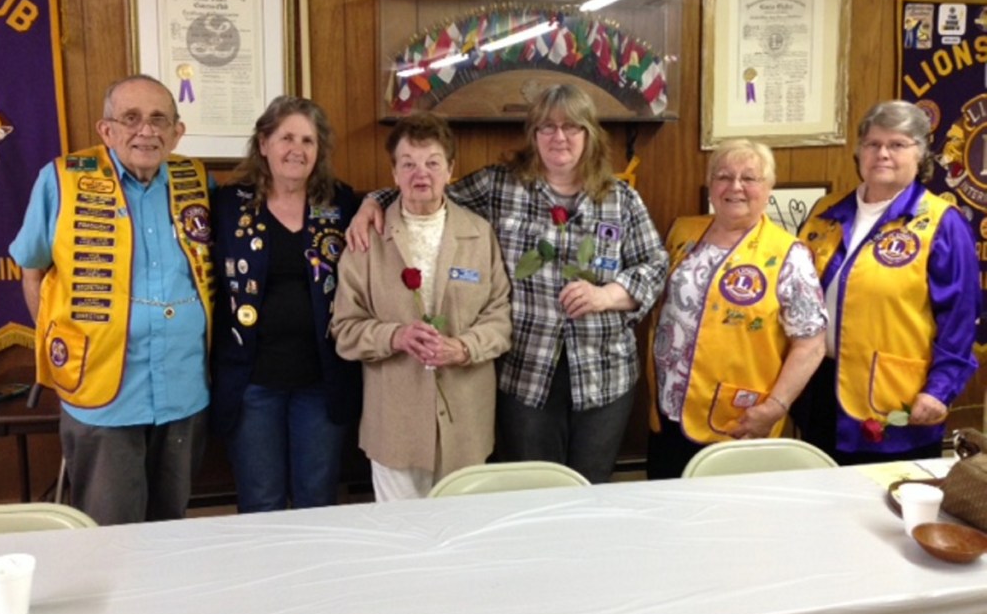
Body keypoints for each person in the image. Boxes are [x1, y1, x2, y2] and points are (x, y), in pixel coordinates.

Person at [348, 84, 668, 484]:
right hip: (527, 373)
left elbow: (655, 266)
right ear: (533, 136)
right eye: (547, 127)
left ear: (589, 134)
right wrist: (371, 202)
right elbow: (427, 192)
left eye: (572, 127)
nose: (559, 137)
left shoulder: (621, 199)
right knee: (531, 490)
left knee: (590, 489)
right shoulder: (500, 186)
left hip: (605, 374)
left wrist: (607, 295)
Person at [9, 74, 212, 525]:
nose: (147, 130)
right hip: (101, 390)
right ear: (107, 130)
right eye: (131, 118)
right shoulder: (61, 180)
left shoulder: (196, 181)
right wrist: (58, 339)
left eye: (160, 119)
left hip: (182, 390)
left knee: (171, 524)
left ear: (177, 132)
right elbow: (32, 270)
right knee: (109, 529)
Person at [331, 113, 512, 501]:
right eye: (408, 164)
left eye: (432, 163)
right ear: (393, 173)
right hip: (394, 424)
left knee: (462, 538)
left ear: (450, 170)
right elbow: (344, 329)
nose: (421, 174)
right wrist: (394, 336)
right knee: (402, 542)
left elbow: (501, 319)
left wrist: (464, 347)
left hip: (466, 421)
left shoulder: (479, 234)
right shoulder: (367, 239)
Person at [792, 100, 981, 465]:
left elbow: (959, 318)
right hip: (817, 388)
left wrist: (940, 390)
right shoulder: (825, 212)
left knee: (882, 509)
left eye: (897, 145)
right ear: (859, 152)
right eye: (873, 144)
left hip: (894, 397)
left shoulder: (942, 224)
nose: (882, 154)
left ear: (920, 153)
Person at [210, 96, 361, 511]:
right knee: (261, 499)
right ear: (263, 144)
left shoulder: (342, 203)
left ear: (319, 151)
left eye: (308, 141)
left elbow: (382, 202)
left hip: (322, 380)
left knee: (317, 497)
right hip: (253, 383)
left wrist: (372, 208)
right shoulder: (227, 204)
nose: (297, 149)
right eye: (286, 137)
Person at [645, 139, 828, 479]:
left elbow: (811, 343)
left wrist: (775, 407)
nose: (735, 187)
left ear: (769, 187)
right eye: (723, 176)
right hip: (669, 411)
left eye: (749, 178)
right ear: (711, 185)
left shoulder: (789, 254)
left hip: (740, 418)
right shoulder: (682, 232)